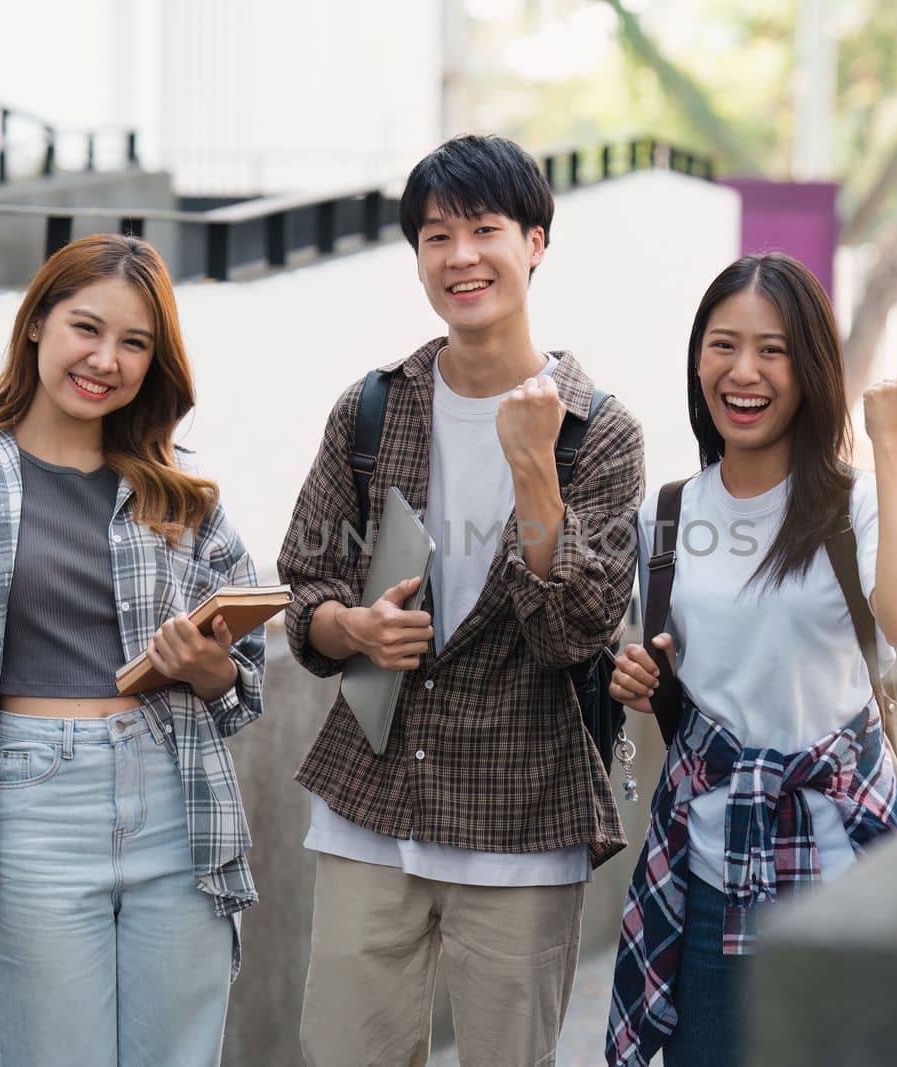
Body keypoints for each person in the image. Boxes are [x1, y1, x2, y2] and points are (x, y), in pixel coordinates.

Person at [0, 198, 266, 1066]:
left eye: (135, 343)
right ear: (37, 326)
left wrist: (209, 667)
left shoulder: (179, 499)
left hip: (175, 797)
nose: (106, 359)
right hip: (37, 799)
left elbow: (244, 680)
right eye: (87, 328)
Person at [277, 134, 645, 1066]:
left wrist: (531, 465)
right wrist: (349, 626)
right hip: (373, 799)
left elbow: (575, 630)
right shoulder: (371, 406)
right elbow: (306, 583)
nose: (461, 257)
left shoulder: (600, 433)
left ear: (536, 242)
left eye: (485, 229)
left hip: (522, 814)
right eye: (437, 236)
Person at [604, 252, 897, 1067]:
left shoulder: (851, 506)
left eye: (773, 350)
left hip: (847, 867)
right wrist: (640, 671)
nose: (743, 371)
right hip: (711, 874)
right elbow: (674, 660)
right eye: (723, 345)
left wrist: (891, 446)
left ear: (811, 368)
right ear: (697, 359)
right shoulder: (669, 515)